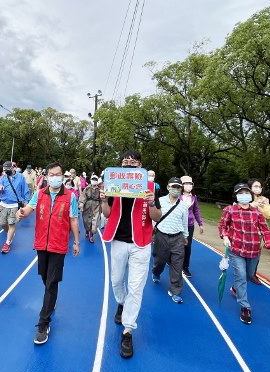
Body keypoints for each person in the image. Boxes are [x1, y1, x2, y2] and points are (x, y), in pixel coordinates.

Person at [100, 150, 162, 359]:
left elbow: (157, 217)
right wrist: (103, 199)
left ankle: (128, 331)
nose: (128, 164)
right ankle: (120, 302)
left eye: (133, 162)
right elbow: (107, 214)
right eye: (125, 161)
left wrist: (152, 202)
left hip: (141, 243)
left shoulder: (150, 187)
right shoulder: (113, 183)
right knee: (117, 280)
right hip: (118, 240)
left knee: (136, 287)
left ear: (140, 166)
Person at [16, 162, 80, 344]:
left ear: (63, 176)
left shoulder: (70, 197)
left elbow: (74, 220)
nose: (55, 177)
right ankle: (50, 300)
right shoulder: (40, 193)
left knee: (51, 282)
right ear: (46, 176)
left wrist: (76, 242)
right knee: (45, 277)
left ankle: (44, 323)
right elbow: (28, 209)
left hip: (59, 245)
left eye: (58, 174)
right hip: (42, 244)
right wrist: (22, 213)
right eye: (51, 174)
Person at [218, 183, 270, 325]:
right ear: (236, 195)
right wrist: (225, 237)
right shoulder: (230, 210)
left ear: (250, 195)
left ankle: (235, 288)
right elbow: (222, 226)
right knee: (240, 275)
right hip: (236, 250)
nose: (244, 195)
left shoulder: (257, 212)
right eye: (241, 192)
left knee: (249, 274)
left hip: (253, 251)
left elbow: (265, 230)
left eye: (246, 192)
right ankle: (245, 307)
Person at [151, 178, 189, 303]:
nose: (176, 189)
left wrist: (185, 236)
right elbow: (154, 216)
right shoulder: (160, 201)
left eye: (179, 187)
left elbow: (184, 222)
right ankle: (156, 272)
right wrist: (152, 230)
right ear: (168, 187)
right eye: (174, 186)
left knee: (177, 265)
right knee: (160, 260)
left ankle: (175, 290)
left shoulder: (183, 206)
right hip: (161, 235)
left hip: (177, 237)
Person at [248, 178, 270, 285]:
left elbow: (269, 215)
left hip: (259, 229)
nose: (258, 188)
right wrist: (253, 205)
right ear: (250, 188)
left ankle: (253, 274)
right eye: (255, 186)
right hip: (246, 230)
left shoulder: (263, 199)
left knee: (257, 252)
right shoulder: (245, 198)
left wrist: (265, 206)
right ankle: (243, 271)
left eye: (260, 186)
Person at [0, 161, 31, 253]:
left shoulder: (21, 177)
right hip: (3, 204)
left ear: (13, 168)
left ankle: (7, 243)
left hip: (14, 204)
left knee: (11, 224)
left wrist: (26, 202)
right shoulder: (4, 177)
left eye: (8, 170)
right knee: (3, 224)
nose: (6, 171)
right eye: (5, 170)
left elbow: (25, 190)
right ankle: (10, 234)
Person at [179, 176, 204, 278]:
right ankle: (171, 260)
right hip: (177, 224)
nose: (188, 186)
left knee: (187, 246)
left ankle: (185, 267)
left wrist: (200, 224)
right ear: (181, 185)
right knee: (175, 244)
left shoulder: (194, 197)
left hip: (189, 225)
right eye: (186, 183)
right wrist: (184, 207)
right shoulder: (177, 196)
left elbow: (196, 211)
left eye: (190, 184)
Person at [79, 174, 102, 243]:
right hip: (87, 205)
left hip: (96, 206)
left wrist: (102, 206)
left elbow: (102, 198)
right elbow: (83, 197)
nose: (94, 181)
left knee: (95, 221)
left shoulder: (99, 189)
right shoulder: (87, 188)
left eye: (95, 180)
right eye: (93, 179)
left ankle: (91, 235)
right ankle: (87, 230)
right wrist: (81, 205)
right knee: (86, 220)